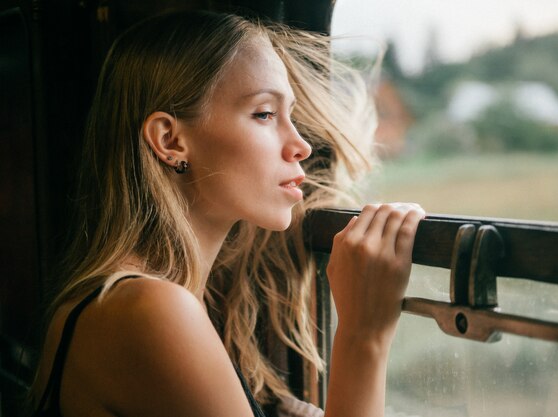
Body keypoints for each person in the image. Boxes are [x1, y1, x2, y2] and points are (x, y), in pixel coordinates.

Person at [28, 10, 425, 417]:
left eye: (292, 116)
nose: (301, 145)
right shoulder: (147, 309)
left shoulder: (142, 299)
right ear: (170, 140)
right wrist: (363, 338)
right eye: (265, 114)